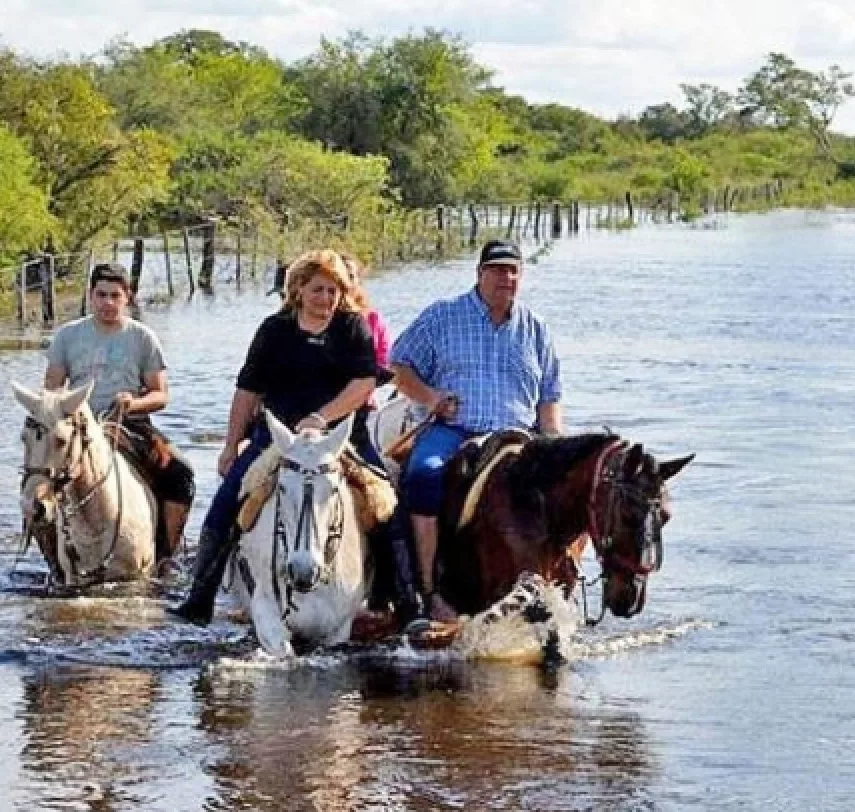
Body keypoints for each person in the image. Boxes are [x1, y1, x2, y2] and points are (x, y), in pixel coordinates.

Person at [169, 249, 386, 626]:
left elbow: (364, 382)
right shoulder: (274, 330)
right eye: (318, 289)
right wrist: (230, 445)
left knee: (387, 507)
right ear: (298, 290)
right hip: (276, 440)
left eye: (333, 291)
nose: (325, 298)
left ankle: (403, 598)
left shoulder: (353, 328)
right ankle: (199, 598)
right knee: (225, 505)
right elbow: (247, 390)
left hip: (341, 438)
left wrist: (321, 417)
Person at [389, 240, 563, 621]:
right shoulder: (443, 316)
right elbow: (399, 366)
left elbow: (549, 396)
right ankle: (428, 591)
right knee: (422, 476)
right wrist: (431, 396)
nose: (506, 278)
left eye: (513, 271)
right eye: (497, 270)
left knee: (567, 489)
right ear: (480, 274)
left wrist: (553, 444)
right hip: (454, 430)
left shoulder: (536, 329)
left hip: (517, 438)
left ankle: (560, 587)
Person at [42, 263, 195, 574]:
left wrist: (133, 403)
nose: (107, 303)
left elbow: (160, 395)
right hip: (79, 427)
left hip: (128, 423)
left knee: (181, 473)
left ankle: (165, 555)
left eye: (115, 295)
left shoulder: (142, 337)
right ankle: (52, 558)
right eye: (101, 295)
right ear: (90, 295)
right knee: (39, 482)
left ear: (128, 297)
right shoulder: (67, 337)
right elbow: (51, 392)